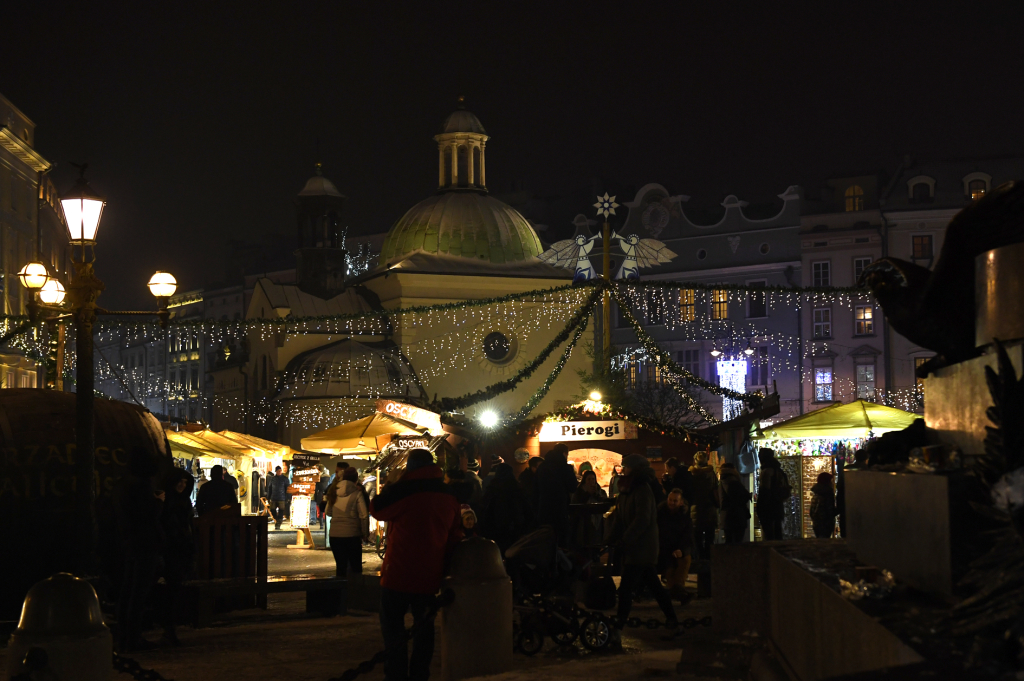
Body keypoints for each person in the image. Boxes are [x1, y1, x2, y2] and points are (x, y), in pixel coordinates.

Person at [370, 449, 462, 681]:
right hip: (430, 571)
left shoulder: (403, 489)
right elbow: (454, 535)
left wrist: (391, 484)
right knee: (424, 628)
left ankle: (396, 674)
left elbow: (377, 510)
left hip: (398, 570)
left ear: (410, 466)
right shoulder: (448, 494)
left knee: (393, 626)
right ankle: (420, 674)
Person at [606, 454, 677, 636]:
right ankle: (673, 620)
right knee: (653, 585)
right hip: (634, 546)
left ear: (634, 469)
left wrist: (625, 539)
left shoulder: (641, 489)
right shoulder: (626, 488)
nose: (623, 469)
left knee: (627, 587)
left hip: (642, 546)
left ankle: (619, 626)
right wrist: (610, 538)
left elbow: (643, 519)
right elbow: (620, 517)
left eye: (626, 466)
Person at [114, 447, 164, 652]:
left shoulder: (124, 484)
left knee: (128, 590)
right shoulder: (141, 485)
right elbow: (147, 514)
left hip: (131, 542)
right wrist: (159, 502)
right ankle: (133, 638)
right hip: (145, 542)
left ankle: (124, 636)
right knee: (139, 592)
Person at [159, 468, 195, 645]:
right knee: (172, 589)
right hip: (172, 548)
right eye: (180, 481)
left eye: (185, 482)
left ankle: (170, 628)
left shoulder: (183, 500)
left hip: (182, 548)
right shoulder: (167, 501)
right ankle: (168, 628)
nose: (182, 485)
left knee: (176, 588)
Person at [478, 463, 533, 553]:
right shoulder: (518, 489)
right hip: (516, 531)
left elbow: (484, 511)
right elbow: (528, 512)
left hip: (495, 531)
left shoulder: (492, 489)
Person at [533, 444, 579, 545]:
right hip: (560, 509)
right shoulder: (564, 467)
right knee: (561, 540)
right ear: (564, 453)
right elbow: (573, 487)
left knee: (546, 541)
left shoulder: (542, 467)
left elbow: (535, 488)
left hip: (543, 509)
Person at [328, 467, 369, 576]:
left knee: (340, 567)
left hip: (335, 535)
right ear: (356, 479)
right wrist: (365, 534)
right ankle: (355, 592)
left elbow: (328, 512)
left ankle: (341, 591)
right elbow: (364, 516)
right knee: (356, 568)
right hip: (352, 535)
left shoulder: (333, 491)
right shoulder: (357, 493)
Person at [657, 488, 694, 604]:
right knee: (669, 566)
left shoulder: (684, 516)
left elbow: (687, 535)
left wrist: (680, 549)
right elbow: (660, 534)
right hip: (664, 549)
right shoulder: (661, 513)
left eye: (675, 501)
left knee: (684, 559)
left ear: (681, 502)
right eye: (670, 500)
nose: (672, 503)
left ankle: (676, 590)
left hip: (679, 548)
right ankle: (679, 592)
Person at [688, 452, 720, 559]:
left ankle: (700, 560)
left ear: (695, 460)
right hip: (709, 508)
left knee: (697, 538)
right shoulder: (711, 474)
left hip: (696, 508)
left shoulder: (691, 474)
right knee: (709, 537)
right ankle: (709, 561)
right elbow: (716, 489)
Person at [756, 448, 790, 541]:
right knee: (777, 533)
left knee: (769, 535)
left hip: (768, 507)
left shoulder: (767, 471)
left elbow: (765, 491)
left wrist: (760, 507)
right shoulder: (778, 470)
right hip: (778, 506)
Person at [570, 469, 607, 548]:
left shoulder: (599, 491)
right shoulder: (579, 491)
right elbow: (577, 504)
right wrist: (587, 494)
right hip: (583, 523)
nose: (591, 481)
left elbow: (603, 502)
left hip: (597, 522)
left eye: (593, 479)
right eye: (589, 479)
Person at [718, 463, 751, 544]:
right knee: (737, 544)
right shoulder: (732, 481)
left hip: (727, 517)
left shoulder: (723, 481)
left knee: (729, 543)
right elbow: (738, 498)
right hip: (736, 517)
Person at [809, 472, 837, 539]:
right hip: (825, 524)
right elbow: (830, 510)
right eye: (831, 481)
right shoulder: (827, 493)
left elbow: (811, 511)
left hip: (817, 523)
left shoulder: (817, 493)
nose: (832, 483)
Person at [267, 465, 290, 530]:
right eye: (277, 471)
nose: (279, 472)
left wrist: (288, 497)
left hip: (282, 498)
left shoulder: (285, 479)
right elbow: (270, 488)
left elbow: (287, 489)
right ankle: (278, 520)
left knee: (281, 511)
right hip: (273, 497)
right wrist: (268, 497)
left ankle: (278, 523)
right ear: (276, 472)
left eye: (280, 471)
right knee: (272, 510)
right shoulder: (272, 479)